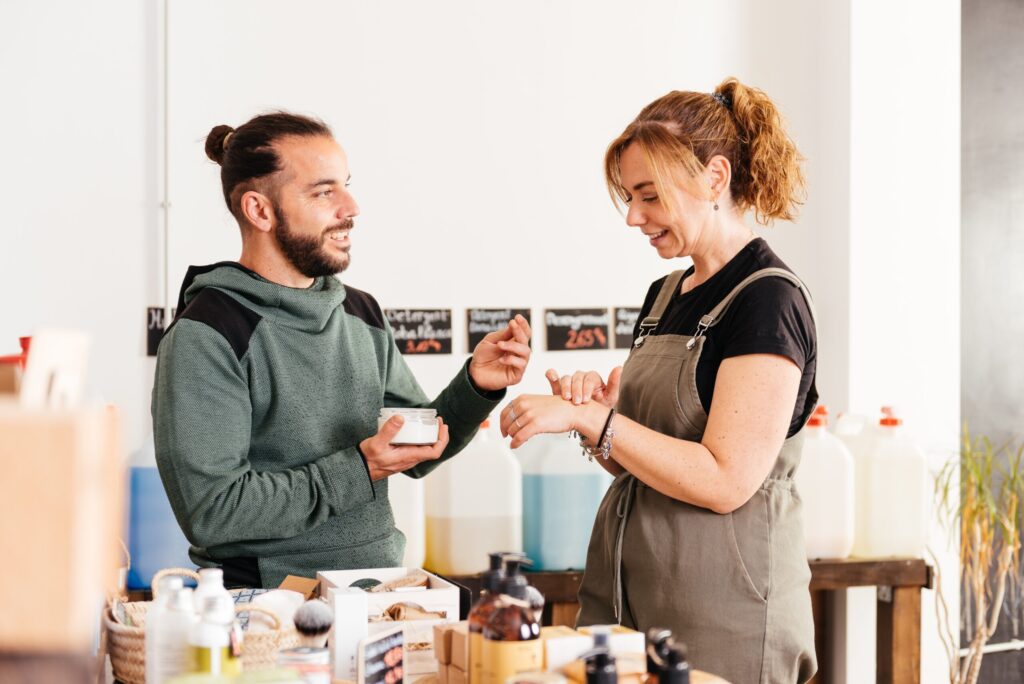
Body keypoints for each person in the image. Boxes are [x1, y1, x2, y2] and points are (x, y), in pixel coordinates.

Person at [499, 78, 817, 683]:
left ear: (715, 178)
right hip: (634, 598)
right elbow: (644, 467)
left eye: (649, 195)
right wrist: (603, 422)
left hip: (722, 616)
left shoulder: (767, 301)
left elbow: (725, 480)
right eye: (629, 197)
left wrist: (597, 421)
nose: (632, 217)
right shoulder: (665, 295)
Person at [152, 112, 532, 587]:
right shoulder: (206, 335)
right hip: (270, 607)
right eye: (323, 192)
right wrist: (363, 466)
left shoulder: (360, 311)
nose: (351, 207)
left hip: (378, 592)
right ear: (260, 211)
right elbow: (215, 512)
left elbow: (416, 450)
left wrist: (475, 387)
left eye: (346, 186)